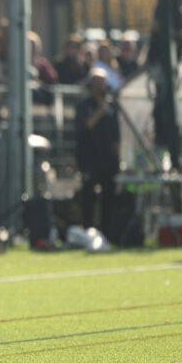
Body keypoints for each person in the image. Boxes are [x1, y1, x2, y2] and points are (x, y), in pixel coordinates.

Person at [75, 68, 121, 241]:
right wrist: (101, 110)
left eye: (102, 82)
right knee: (88, 197)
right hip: (89, 158)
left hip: (108, 159)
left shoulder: (112, 105)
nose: (100, 86)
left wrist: (118, 156)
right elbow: (86, 126)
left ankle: (107, 234)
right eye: (97, 82)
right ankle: (88, 234)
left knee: (109, 197)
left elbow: (117, 135)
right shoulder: (83, 105)